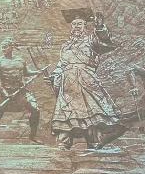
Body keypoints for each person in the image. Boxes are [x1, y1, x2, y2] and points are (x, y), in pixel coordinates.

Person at [50, 9, 125, 149]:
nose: (76, 27)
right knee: (67, 111)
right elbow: (61, 64)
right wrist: (55, 76)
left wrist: (100, 27)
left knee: (91, 111)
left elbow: (105, 40)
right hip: (68, 84)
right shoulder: (65, 46)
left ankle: (94, 141)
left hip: (87, 81)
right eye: (74, 24)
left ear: (85, 26)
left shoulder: (91, 40)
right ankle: (64, 142)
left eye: (79, 24)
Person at [0, 38, 42, 146]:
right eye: (2, 47)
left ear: (11, 47)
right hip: (4, 93)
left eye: (5, 47)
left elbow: (26, 73)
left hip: (20, 91)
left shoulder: (20, 60)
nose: (3, 49)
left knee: (35, 110)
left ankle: (33, 136)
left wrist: (36, 72)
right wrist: (5, 93)